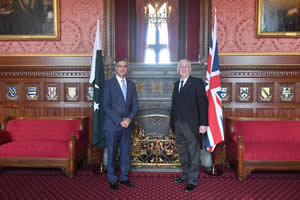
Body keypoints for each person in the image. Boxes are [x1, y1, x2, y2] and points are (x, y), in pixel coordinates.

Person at [170, 59, 208, 192]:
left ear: (190, 69)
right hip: (178, 125)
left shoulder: (197, 83)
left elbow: (203, 104)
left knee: (193, 153)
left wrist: (203, 123)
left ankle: (192, 180)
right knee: (183, 152)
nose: (184, 68)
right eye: (181, 66)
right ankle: (185, 175)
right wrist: (173, 123)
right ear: (178, 69)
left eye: (187, 66)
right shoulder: (176, 84)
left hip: (192, 125)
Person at [103, 58, 138, 191]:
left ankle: (124, 177)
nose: (122, 69)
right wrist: (120, 120)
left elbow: (135, 105)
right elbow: (106, 106)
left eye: (125, 66)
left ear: (127, 69)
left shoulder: (132, 84)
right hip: (112, 125)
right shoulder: (108, 84)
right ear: (115, 68)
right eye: (120, 66)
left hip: (127, 125)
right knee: (111, 153)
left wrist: (128, 119)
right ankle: (112, 179)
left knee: (125, 152)